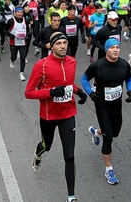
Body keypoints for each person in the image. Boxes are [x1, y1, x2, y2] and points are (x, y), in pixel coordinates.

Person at [24, 32, 87, 202]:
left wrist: (78, 91)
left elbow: (68, 83)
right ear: (52, 46)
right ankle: (38, 153)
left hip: (68, 114)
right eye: (59, 43)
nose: (63, 46)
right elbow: (29, 93)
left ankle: (71, 196)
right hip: (48, 116)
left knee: (70, 156)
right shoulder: (41, 65)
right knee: (47, 146)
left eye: (65, 42)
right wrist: (50, 92)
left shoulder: (72, 61)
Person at [80, 38, 131, 185]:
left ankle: (96, 132)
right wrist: (91, 93)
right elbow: (84, 79)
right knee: (109, 137)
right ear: (106, 50)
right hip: (102, 105)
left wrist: (130, 91)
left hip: (116, 105)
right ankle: (109, 169)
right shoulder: (98, 65)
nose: (116, 50)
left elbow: (129, 78)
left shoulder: (123, 64)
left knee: (115, 131)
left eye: (118, 47)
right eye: (112, 48)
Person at [4, 6, 31, 81]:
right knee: (14, 57)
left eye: (21, 12)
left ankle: (21, 73)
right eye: (18, 12)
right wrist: (10, 35)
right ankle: (12, 60)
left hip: (22, 42)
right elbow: (5, 29)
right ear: (15, 13)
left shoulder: (25, 20)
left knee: (22, 57)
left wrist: (27, 34)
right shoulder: (11, 21)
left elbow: (28, 29)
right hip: (14, 43)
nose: (20, 14)